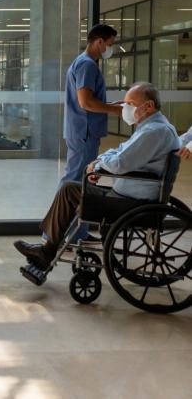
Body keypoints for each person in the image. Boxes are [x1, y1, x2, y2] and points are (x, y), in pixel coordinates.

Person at [14, 83, 181, 271]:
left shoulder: (154, 132)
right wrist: (100, 162)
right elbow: (118, 151)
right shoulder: (152, 128)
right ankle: (47, 249)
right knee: (69, 188)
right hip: (128, 195)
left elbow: (119, 163)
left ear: (148, 106)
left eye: (130, 104)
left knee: (69, 191)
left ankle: (47, 251)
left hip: (131, 202)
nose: (124, 108)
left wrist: (98, 166)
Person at [61, 24, 123, 186]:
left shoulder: (82, 63)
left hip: (81, 130)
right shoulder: (86, 65)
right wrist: (114, 109)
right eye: (109, 45)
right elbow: (86, 102)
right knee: (76, 178)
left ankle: (74, 210)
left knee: (79, 176)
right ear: (99, 42)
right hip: (84, 132)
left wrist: (110, 104)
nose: (110, 49)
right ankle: (62, 211)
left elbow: (88, 99)